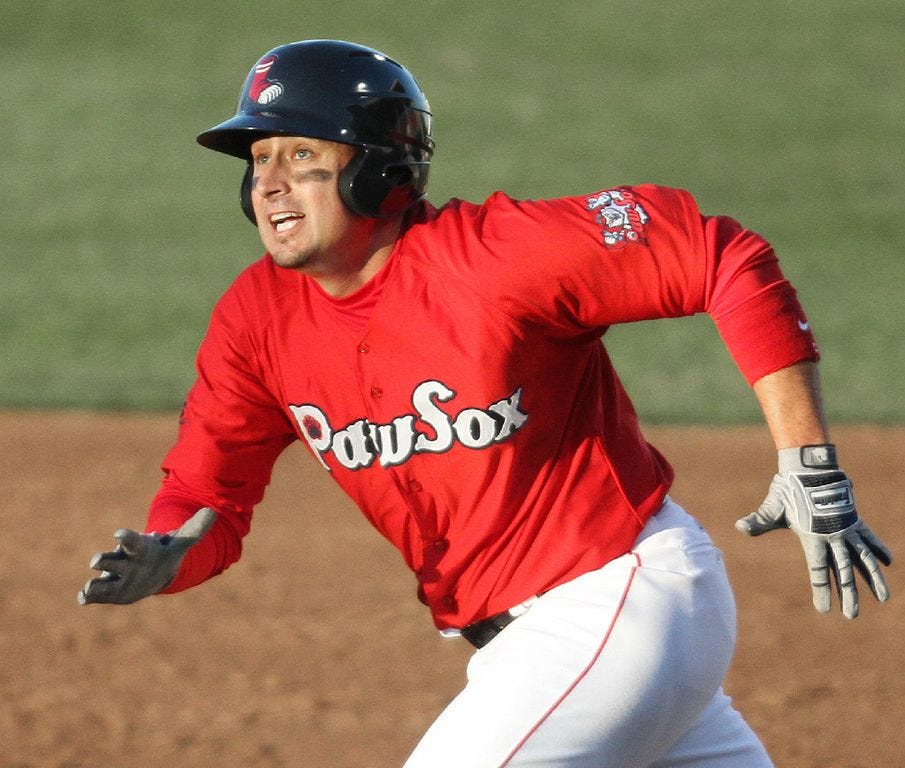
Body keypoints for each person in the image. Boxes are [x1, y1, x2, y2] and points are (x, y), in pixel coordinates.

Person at [79, 39, 892, 767]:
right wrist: (168, 555)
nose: (271, 185)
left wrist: (806, 459)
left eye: (300, 154)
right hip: (541, 655)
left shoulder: (493, 261)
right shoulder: (254, 321)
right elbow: (205, 496)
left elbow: (718, 254)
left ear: (379, 170)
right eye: (258, 159)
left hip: (618, 604)